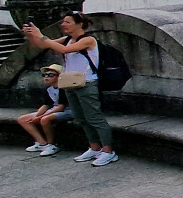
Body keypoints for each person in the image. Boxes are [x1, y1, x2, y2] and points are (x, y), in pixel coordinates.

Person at [20, 11, 118, 166]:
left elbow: (63, 50)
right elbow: (42, 45)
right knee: (81, 118)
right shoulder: (67, 39)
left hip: (87, 84)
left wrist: (40, 34)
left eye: (67, 22)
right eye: (63, 22)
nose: (63, 25)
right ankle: (94, 148)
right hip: (70, 84)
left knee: (95, 118)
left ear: (79, 24)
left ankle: (108, 151)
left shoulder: (88, 40)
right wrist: (32, 35)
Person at [15, 64, 67, 156]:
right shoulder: (49, 89)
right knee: (22, 119)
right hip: (54, 109)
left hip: (67, 111)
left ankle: (51, 145)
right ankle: (42, 143)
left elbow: (61, 107)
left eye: (51, 75)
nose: (46, 77)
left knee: (45, 119)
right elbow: (46, 105)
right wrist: (37, 115)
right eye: (45, 75)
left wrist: (41, 116)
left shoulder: (64, 88)